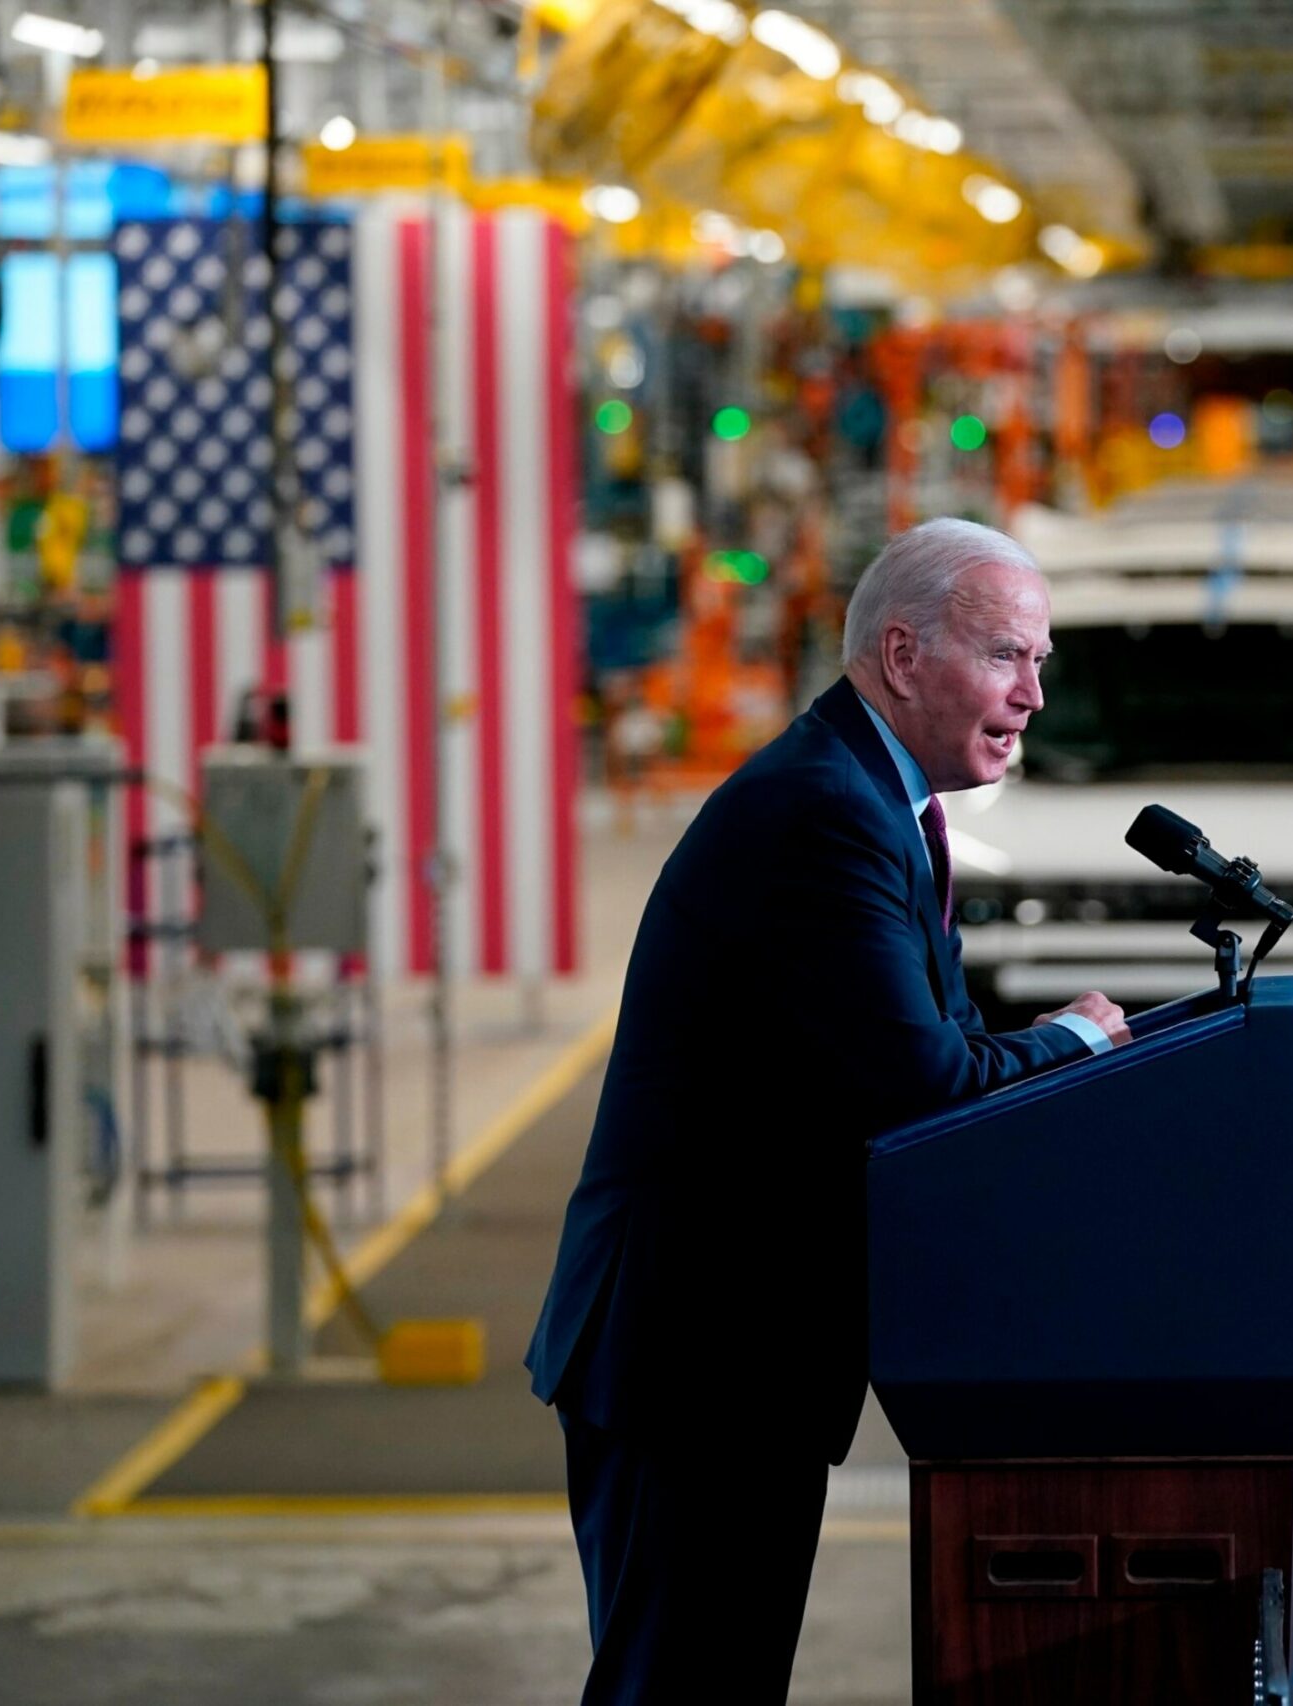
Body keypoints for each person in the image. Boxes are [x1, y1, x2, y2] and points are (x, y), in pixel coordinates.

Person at [524, 518, 1130, 1705]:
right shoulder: (824, 812)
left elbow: (932, 1048)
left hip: (736, 1357)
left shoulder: (875, 800)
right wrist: (1076, 1040)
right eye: (1008, 655)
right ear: (902, 654)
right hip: (696, 1356)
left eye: (1040, 661)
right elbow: (925, 1083)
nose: (1033, 694)